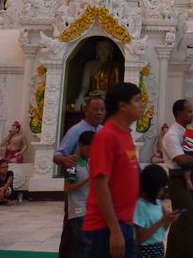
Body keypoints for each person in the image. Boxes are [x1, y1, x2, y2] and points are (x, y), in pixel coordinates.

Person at [83, 82, 143, 258]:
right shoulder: (107, 136)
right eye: (137, 100)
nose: (141, 105)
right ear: (122, 105)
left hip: (124, 220)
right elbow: (100, 184)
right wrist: (115, 230)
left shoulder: (125, 134)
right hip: (106, 226)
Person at [55, 96, 107, 258]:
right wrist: (65, 160)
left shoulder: (103, 130)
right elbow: (58, 155)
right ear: (86, 110)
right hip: (77, 187)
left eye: (102, 109)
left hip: (95, 190)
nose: (99, 113)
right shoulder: (75, 131)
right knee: (72, 226)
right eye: (95, 109)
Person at [162, 99, 193, 258]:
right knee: (187, 223)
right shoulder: (172, 135)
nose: (191, 114)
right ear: (179, 113)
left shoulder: (189, 133)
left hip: (192, 179)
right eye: (188, 111)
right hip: (179, 180)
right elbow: (181, 160)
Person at [133, 164, 181, 258]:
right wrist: (162, 221)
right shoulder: (140, 206)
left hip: (159, 247)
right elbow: (140, 238)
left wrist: (168, 220)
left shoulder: (158, 204)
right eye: (160, 188)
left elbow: (162, 230)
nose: (162, 192)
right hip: (146, 250)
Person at [65, 131, 96, 258]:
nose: (91, 150)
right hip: (78, 211)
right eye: (88, 147)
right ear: (80, 145)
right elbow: (67, 188)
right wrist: (87, 179)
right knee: (87, 244)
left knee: (84, 246)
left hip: (90, 209)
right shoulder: (72, 164)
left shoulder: (90, 163)